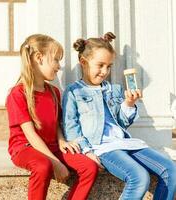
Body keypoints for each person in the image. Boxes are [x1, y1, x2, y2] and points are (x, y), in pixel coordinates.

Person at [62, 32, 176, 200]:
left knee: (171, 170)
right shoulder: (73, 91)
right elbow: (71, 127)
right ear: (83, 62)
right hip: (102, 147)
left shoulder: (113, 89)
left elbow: (121, 122)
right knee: (139, 177)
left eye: (108, 66)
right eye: (100, 65)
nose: (104, 71)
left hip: (125, 142)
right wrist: (86, 152)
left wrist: (128, 104)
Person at [6, 34, 99, 200]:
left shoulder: (54, 92)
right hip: (25, 147)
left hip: (53, 145)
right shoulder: (17, 94)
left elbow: (56, 123)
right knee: (43, 166)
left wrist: (62, 140)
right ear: (38, 58)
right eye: (56, 60)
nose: (59, 66)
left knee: (89, 167)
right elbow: (30, 135)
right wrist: (55, 163)